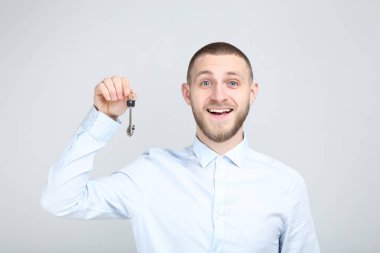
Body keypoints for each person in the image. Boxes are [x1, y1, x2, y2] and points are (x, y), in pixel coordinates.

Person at [41, 42, 320, 253]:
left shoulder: (287, 184)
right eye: (206, 82)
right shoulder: (150, 173)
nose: (219, 95)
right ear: (188, 94)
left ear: (252, 93)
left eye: (232, 83)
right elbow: (60, 200)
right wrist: (103, 118)